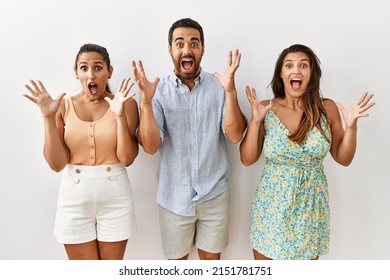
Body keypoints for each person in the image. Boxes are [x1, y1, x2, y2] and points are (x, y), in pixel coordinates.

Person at [240, 44, 375, 260]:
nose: (296, 70)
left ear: (311, 74)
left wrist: (352, 127)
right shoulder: (266, 108)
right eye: (289, 65)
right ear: (281, 74)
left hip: (311, 208)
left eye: (303, 65)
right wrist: (256, 121)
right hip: (272, 207)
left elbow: (344, 158)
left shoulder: (326, 108)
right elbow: (247, 159)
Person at [132, 18, 247, 260]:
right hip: (174, 197)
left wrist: (231, 91)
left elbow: (236, 135)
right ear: (170, 49)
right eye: (180, 43)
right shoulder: (157, 92)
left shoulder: (219, 87)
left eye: (194, 44)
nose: (187, 50)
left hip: (214, 194)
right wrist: (145, 101)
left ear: (202, 49)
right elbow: (151, 147)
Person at [23, 43, 139, 260]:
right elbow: (57, 164)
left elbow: (127, 158)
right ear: (76, 73)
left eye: (98, 67)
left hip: (115, 194)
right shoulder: (63, 106)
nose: (91, 74)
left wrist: (120, 116)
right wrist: (48, 117)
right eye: (84, 68)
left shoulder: (126, 104)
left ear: (109, 71)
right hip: (73, 197)